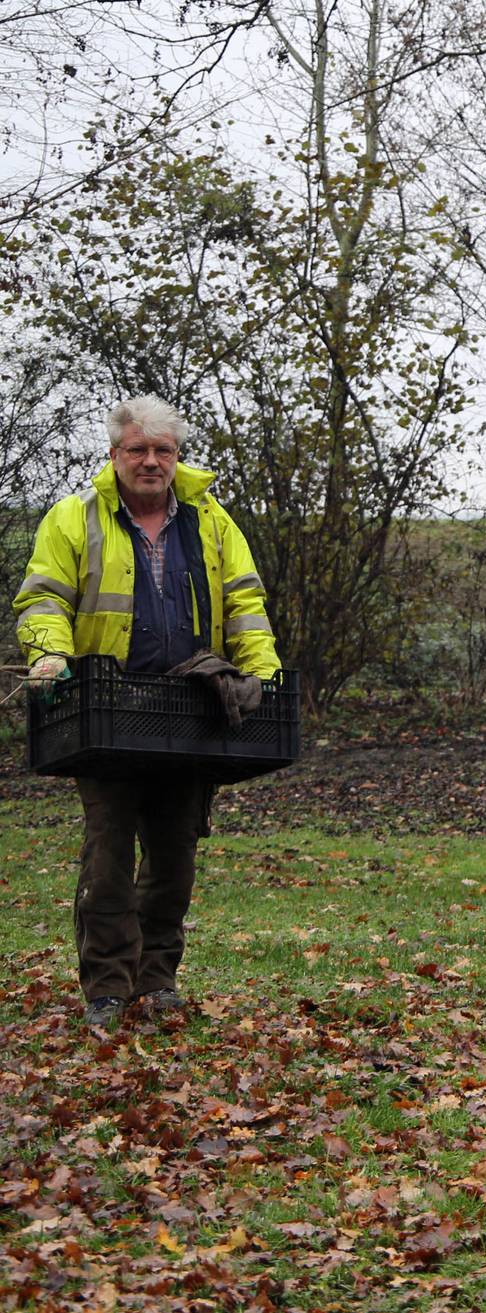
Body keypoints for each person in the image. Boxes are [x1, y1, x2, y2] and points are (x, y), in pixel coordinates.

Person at [14, 395, 280, 1030]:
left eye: (163, 451)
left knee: (175, 853)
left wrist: (262, 673)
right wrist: (50, 655)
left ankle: (157, 980)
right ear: (114, 456)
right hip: (106, 707)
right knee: (108, 853)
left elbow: (245, 601)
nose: (151, 461)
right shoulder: (74, 518)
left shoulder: (211, 522)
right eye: (138, 450)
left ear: (177, 457)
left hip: (190, 706)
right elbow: (44, 598)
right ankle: (107, 986)